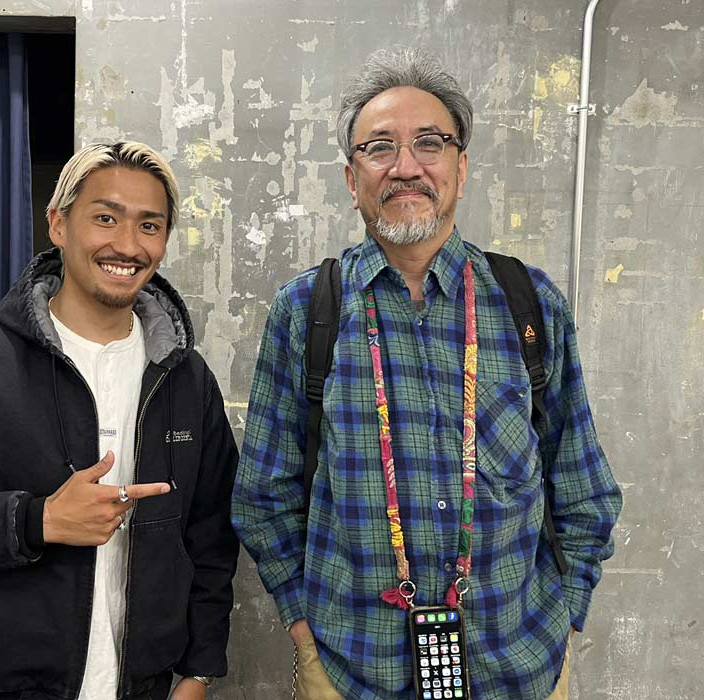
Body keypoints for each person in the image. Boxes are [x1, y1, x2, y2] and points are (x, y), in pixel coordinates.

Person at [232, 47, 621, 700]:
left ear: (461, 168)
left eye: (430, 143)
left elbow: (583, 489)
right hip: (353, 673)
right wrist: (304, 635)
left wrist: (566, 622)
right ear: (351, 177)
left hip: (518, 669)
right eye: (379, 147)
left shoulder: (529, 303)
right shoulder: (306, 311)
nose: (406, 166)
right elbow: (263, 497)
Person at [0, 141, 239, 700]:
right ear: (58, 224)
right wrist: (36, 521)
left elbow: (211, 537)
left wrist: (199, 670)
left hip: (144, 687)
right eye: (105, 218)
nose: (127, 245)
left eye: (149, 226)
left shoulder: (186, 379)